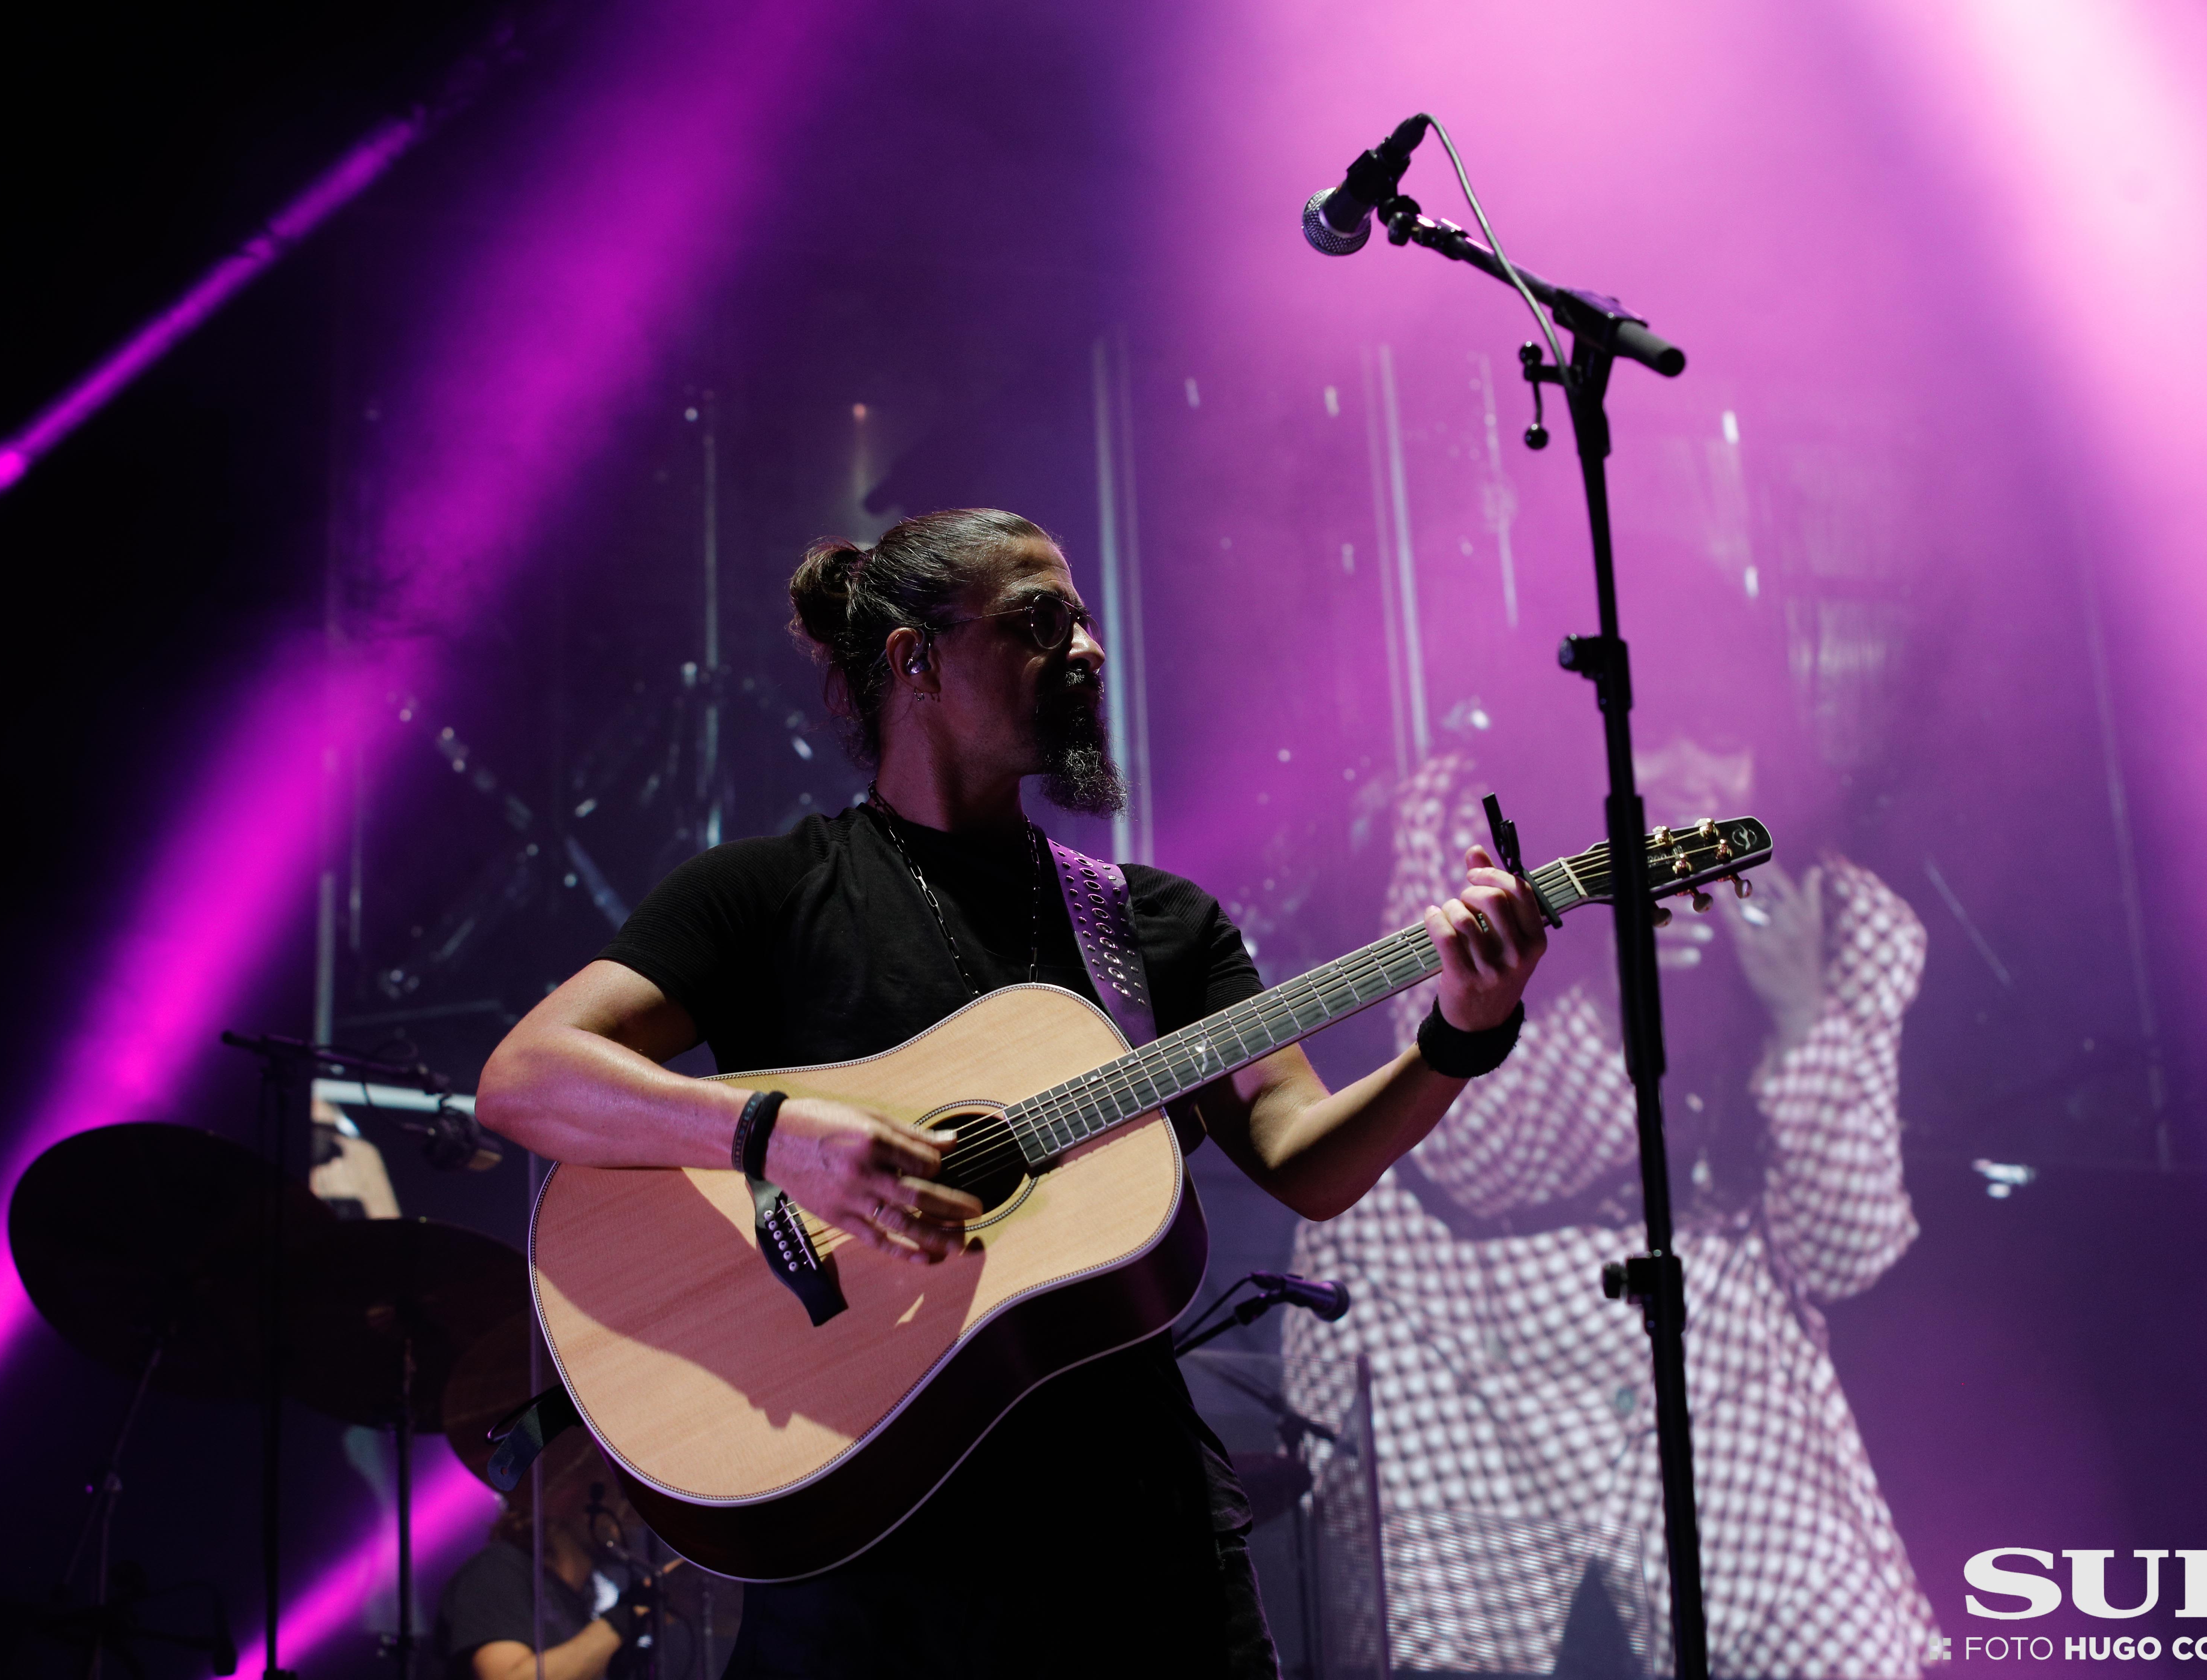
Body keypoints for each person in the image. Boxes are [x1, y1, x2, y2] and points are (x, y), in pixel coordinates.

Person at [474, 508, 1549, 1677]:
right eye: (1042, 620)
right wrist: (774, 1136)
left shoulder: (1151, 923)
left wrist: (1456, 1035)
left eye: (1082, 618)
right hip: (867, 1547)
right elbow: (527, 1076)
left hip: (1136, 1547)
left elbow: (1303, 1155)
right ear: (913, 658)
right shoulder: (771, 892)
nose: (1087, 647)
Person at [1284, 745, 1943, 1680]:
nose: (1689, 778)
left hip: (1695, 1316)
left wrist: (1802, 1018)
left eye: (1724, 742)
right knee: (1444, 1658)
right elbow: (1473, 1168)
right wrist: (1604, 984)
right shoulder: (1472, 820)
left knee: (1843, 1649)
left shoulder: (1852, 923)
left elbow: (1848, 1254)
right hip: (1448, 1313)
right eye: (1660, 738)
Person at [438, 1437, 647, 1680]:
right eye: (619, 1493)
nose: (630, 1511)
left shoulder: (584, 1595)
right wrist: (629, 1614)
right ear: (569, 1497)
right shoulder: (498, 1570)